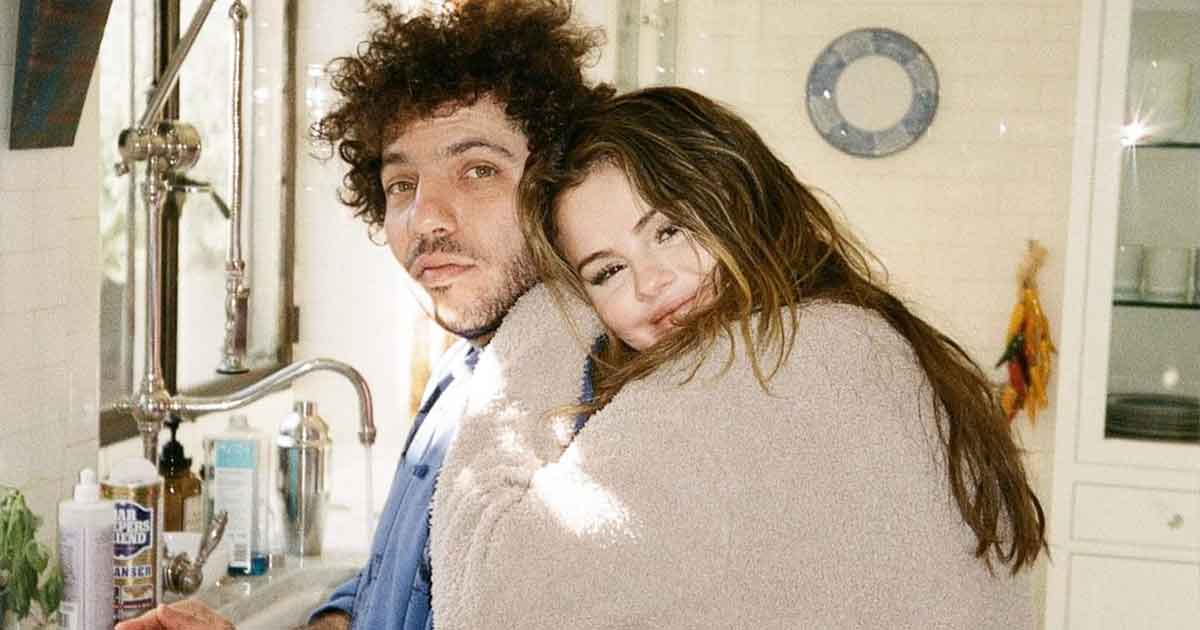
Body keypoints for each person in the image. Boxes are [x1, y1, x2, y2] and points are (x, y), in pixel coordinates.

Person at [429, 86, 1048, 629]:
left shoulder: (750, 371)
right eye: (607, 271)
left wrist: (543, 311)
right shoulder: (864, 339)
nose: (652, 282)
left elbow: (487, 603)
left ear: (739, 197)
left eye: (669, 230)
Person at [115, 2, 611, 629]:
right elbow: (390, 588)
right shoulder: (461, 373)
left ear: (558, 185)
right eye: (402, 183)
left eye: (478, 170)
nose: (425, 218)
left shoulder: (589, 404)